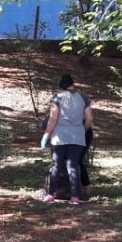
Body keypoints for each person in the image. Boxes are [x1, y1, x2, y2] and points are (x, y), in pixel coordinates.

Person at [41, 74, 94, 204]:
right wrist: (82, 130)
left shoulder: (57, 97)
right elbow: (89, 119)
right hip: (78, 136)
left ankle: (50, 195)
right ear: (72, 83)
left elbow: (53, 118)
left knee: (57, 165)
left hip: (60, 136)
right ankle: (75, 197)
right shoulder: (83, 97)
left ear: (60, 85)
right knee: (73, 166)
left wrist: (46, 135)